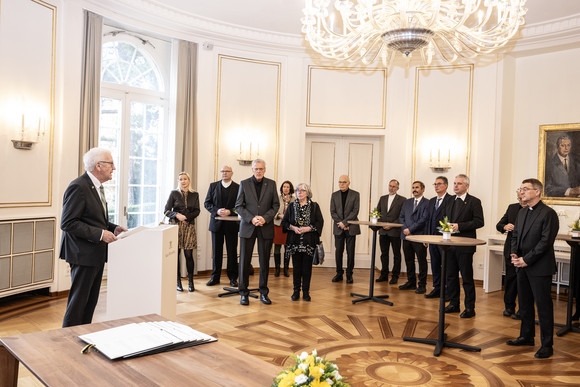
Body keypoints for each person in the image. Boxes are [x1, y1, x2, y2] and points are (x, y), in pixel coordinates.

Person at [60, 147, 127, 327]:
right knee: (78, 303)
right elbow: (68, 223)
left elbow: (94, 219)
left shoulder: (97, 187)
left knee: (89, 303)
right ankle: (68, 340)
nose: (114, 168)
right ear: (99, 165)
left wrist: (113, 228)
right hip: (83, 254)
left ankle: (82, 335)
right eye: (111, 164)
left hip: (95, 254)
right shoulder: (78, 186)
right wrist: (100, 234)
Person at [507, 178, 559, 359]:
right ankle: (526, 336)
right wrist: (514, 254)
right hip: (521, 265)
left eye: (525, 189)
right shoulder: (521, 213)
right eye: (520, 189)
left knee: (543, 307)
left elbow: (545, 242)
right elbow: (515, 236)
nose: (522, 192)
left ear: (537, 192)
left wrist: (526, 260)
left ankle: (547, 345)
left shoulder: (548, 213)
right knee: (525, 304)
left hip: (539, 267)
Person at [236, 159, 280, 305]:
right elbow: (239, 206)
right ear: (252, 170)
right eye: (256, 169)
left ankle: (263, 292)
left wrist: (265, 218)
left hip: (265, 227)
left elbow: (275, 205)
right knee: (244, 261)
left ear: (265, 169)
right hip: (248, 227)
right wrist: (251, 218)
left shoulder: (272, 184)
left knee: (264, 262)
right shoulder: (244, 183)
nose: (258, 171)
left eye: (261, 169)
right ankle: (243, 293)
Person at [444, 174, 484, 318]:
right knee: (451, 277)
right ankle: (454, 304)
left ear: (466, 186)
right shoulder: (449, 201)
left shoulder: (474, 201)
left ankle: (469, 308)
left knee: (467, 278)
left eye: (459, 183)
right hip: (449, 245)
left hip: (465, 246)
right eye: (454, 183)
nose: (455, 186)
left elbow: (479, 222)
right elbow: (444, 220)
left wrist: (459, 226)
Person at [282, 183, 324, 301]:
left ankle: (306, 292)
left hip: (309, 243)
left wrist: (308, 228)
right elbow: (284, 223)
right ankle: (296, 291)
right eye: (297, 190)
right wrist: (293, 228)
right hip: (294, 242)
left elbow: (319, 223)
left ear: (308, 193)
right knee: (296, 268)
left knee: (307, 269)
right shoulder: (291, 206)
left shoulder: (314, 206)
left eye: (302, 190)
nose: (299, 192)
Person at [204, 166, 240, 287]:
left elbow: (241, 206)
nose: (224, 173)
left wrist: (230, 211)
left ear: (232, 173)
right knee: (217, 253)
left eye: (227, 171)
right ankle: (215, 277)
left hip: (232, 225)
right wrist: (217, 211)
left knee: (232, 252)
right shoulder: (213, 186)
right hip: (216, 225)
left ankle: (233, 278)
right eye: (222, 171)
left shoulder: (238, 187)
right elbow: (207, 203)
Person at [165, 172, 200, 292]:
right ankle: (178, 281)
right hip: (176, 227)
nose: (183, 181)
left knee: (188, 255)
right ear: (178, 181)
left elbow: (197, 211)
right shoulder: (174, 193)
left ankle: (190, 281)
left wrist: (186, 217)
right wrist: (177, 215)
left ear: (189, 180)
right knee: (176, 254)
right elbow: (166, 211)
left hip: (189, 226)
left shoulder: (195, 194)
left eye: (185, 179)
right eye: (180, 179)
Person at [496, 187, 528, 318]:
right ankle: (509, 307)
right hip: (511, 250)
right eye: (519, 199)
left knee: (524, 282)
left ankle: (523, 309)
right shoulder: (512, 208)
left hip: (526, 252)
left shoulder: (534, 210)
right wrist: (505, 226)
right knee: (510, 280)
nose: (521, 201)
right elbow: (499, 225)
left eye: (523, 199)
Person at [398, 181, 430, 294]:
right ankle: (411, 282)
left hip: (419, 236)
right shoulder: (407, 202)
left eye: (417, 187)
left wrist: (411, 229)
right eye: (413, 187)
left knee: (421, 261)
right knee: (408, 260)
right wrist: (406, 229)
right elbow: (401, 217)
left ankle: (422, 285)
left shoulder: (428, 203)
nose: (414, 189)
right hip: (406, 236)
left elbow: (424, 219)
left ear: (423, 189)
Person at [330, 175, 361, 283]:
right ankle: (339, 273)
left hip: (351, 227)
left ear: (349, 183)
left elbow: (355, 211)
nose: (341, 184)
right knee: (338, 251)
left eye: (344, 182)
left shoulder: (355, 194)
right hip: (338, 227)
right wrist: (341, 224)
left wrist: (345, 223)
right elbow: (332, 212)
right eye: (340, 182)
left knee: (350, 251)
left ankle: (349, 274)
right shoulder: (334, 195)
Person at [425, 176, 451, 299]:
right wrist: (426, 237)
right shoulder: (431, 201)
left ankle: (447, 290)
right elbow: (428, 220)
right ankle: (437, 288)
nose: (436, 186)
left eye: (439, 184)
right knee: (435, 264)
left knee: (446, 264)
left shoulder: (451, 200)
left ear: (445, 185)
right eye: (434, 184)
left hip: (445, 239)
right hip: (432, 238)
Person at [375, 179, 406, 284]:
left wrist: (391, 225)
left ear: (397, 188)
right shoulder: (382, 198)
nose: (391, 188)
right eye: (390, 186)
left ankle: (395, 276)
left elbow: (402, 216)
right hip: (383, 231)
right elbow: (377, 213)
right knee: (384, 254)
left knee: (396, 254)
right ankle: (384, 274)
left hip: (395, 231)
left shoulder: (402, 200)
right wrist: (381, 223)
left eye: (393, 186)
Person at [273, 181, 295, 277]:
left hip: (288, 227)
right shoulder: (277, 198)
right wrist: (279, 215)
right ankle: (277, 269)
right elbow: (272, 210)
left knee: (288, 248)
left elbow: (296, 212)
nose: (286, 188)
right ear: (282, 188)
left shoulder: (294, 199)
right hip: (278, 225)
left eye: (288, 187)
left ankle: (286, 269)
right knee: (277, 247)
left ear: (290, 189)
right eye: (284, 187)